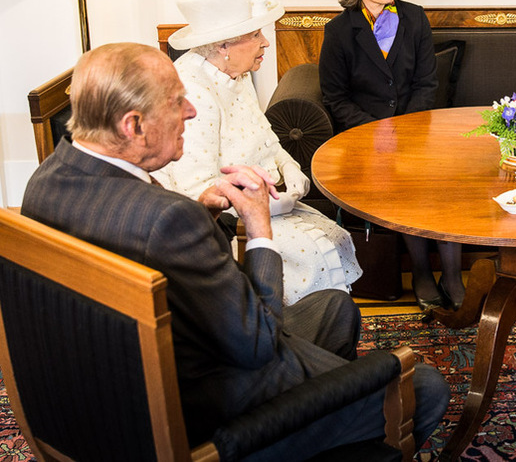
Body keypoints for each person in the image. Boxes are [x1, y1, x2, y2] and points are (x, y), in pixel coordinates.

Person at [20, 43, 449, 455]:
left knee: (334, 307)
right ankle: (326, 426)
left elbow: (157, 249)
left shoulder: (46, 183)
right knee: (424, 387)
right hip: (214, 412)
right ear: (132, 125)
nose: (190, 111)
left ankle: (332, 426)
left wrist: (203, 209)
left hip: (133, 384)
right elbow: (259, 344)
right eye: (175, 102)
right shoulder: (168, 219)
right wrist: (258, 226)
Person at [155, 0, 362, 306]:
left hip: (266, 199)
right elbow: (196, 188)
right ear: (223, 44)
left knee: (334, 238)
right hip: (229, 216)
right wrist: (262, 202)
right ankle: (288, 333)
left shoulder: (235, 72)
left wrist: (289, 166)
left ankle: (322, 326)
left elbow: (264, 135)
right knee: (312, 255)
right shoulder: (194, 91)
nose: (266, 42)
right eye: (255, 34)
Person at [319, 0, 464, 312]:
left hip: (417, 131)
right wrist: (378, 132)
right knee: (403, 183)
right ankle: (419, 272)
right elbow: (336, 97)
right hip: (363, 138)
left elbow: (426, 82)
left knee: (441, 181)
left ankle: (452, 275)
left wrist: (406, 131)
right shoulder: (337, 32)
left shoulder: (415, 19)